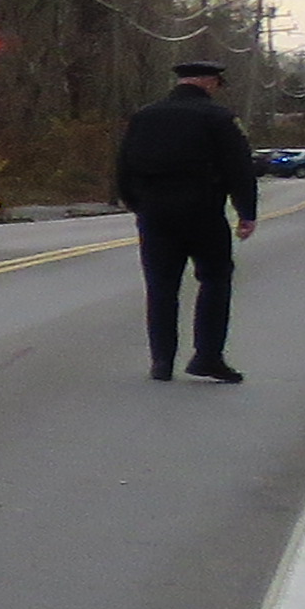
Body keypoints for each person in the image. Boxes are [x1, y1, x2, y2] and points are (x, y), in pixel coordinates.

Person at [114, 56, 259, 381]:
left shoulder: (144, 117)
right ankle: (207, 356)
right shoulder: (219, 118)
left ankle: (162, 361)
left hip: (155, 213)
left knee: (161, 286)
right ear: (209, 82)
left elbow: (124, 163)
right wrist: (246, 211)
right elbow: (238, 167)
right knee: (215, 279)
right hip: (202, 211)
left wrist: (136, 202)